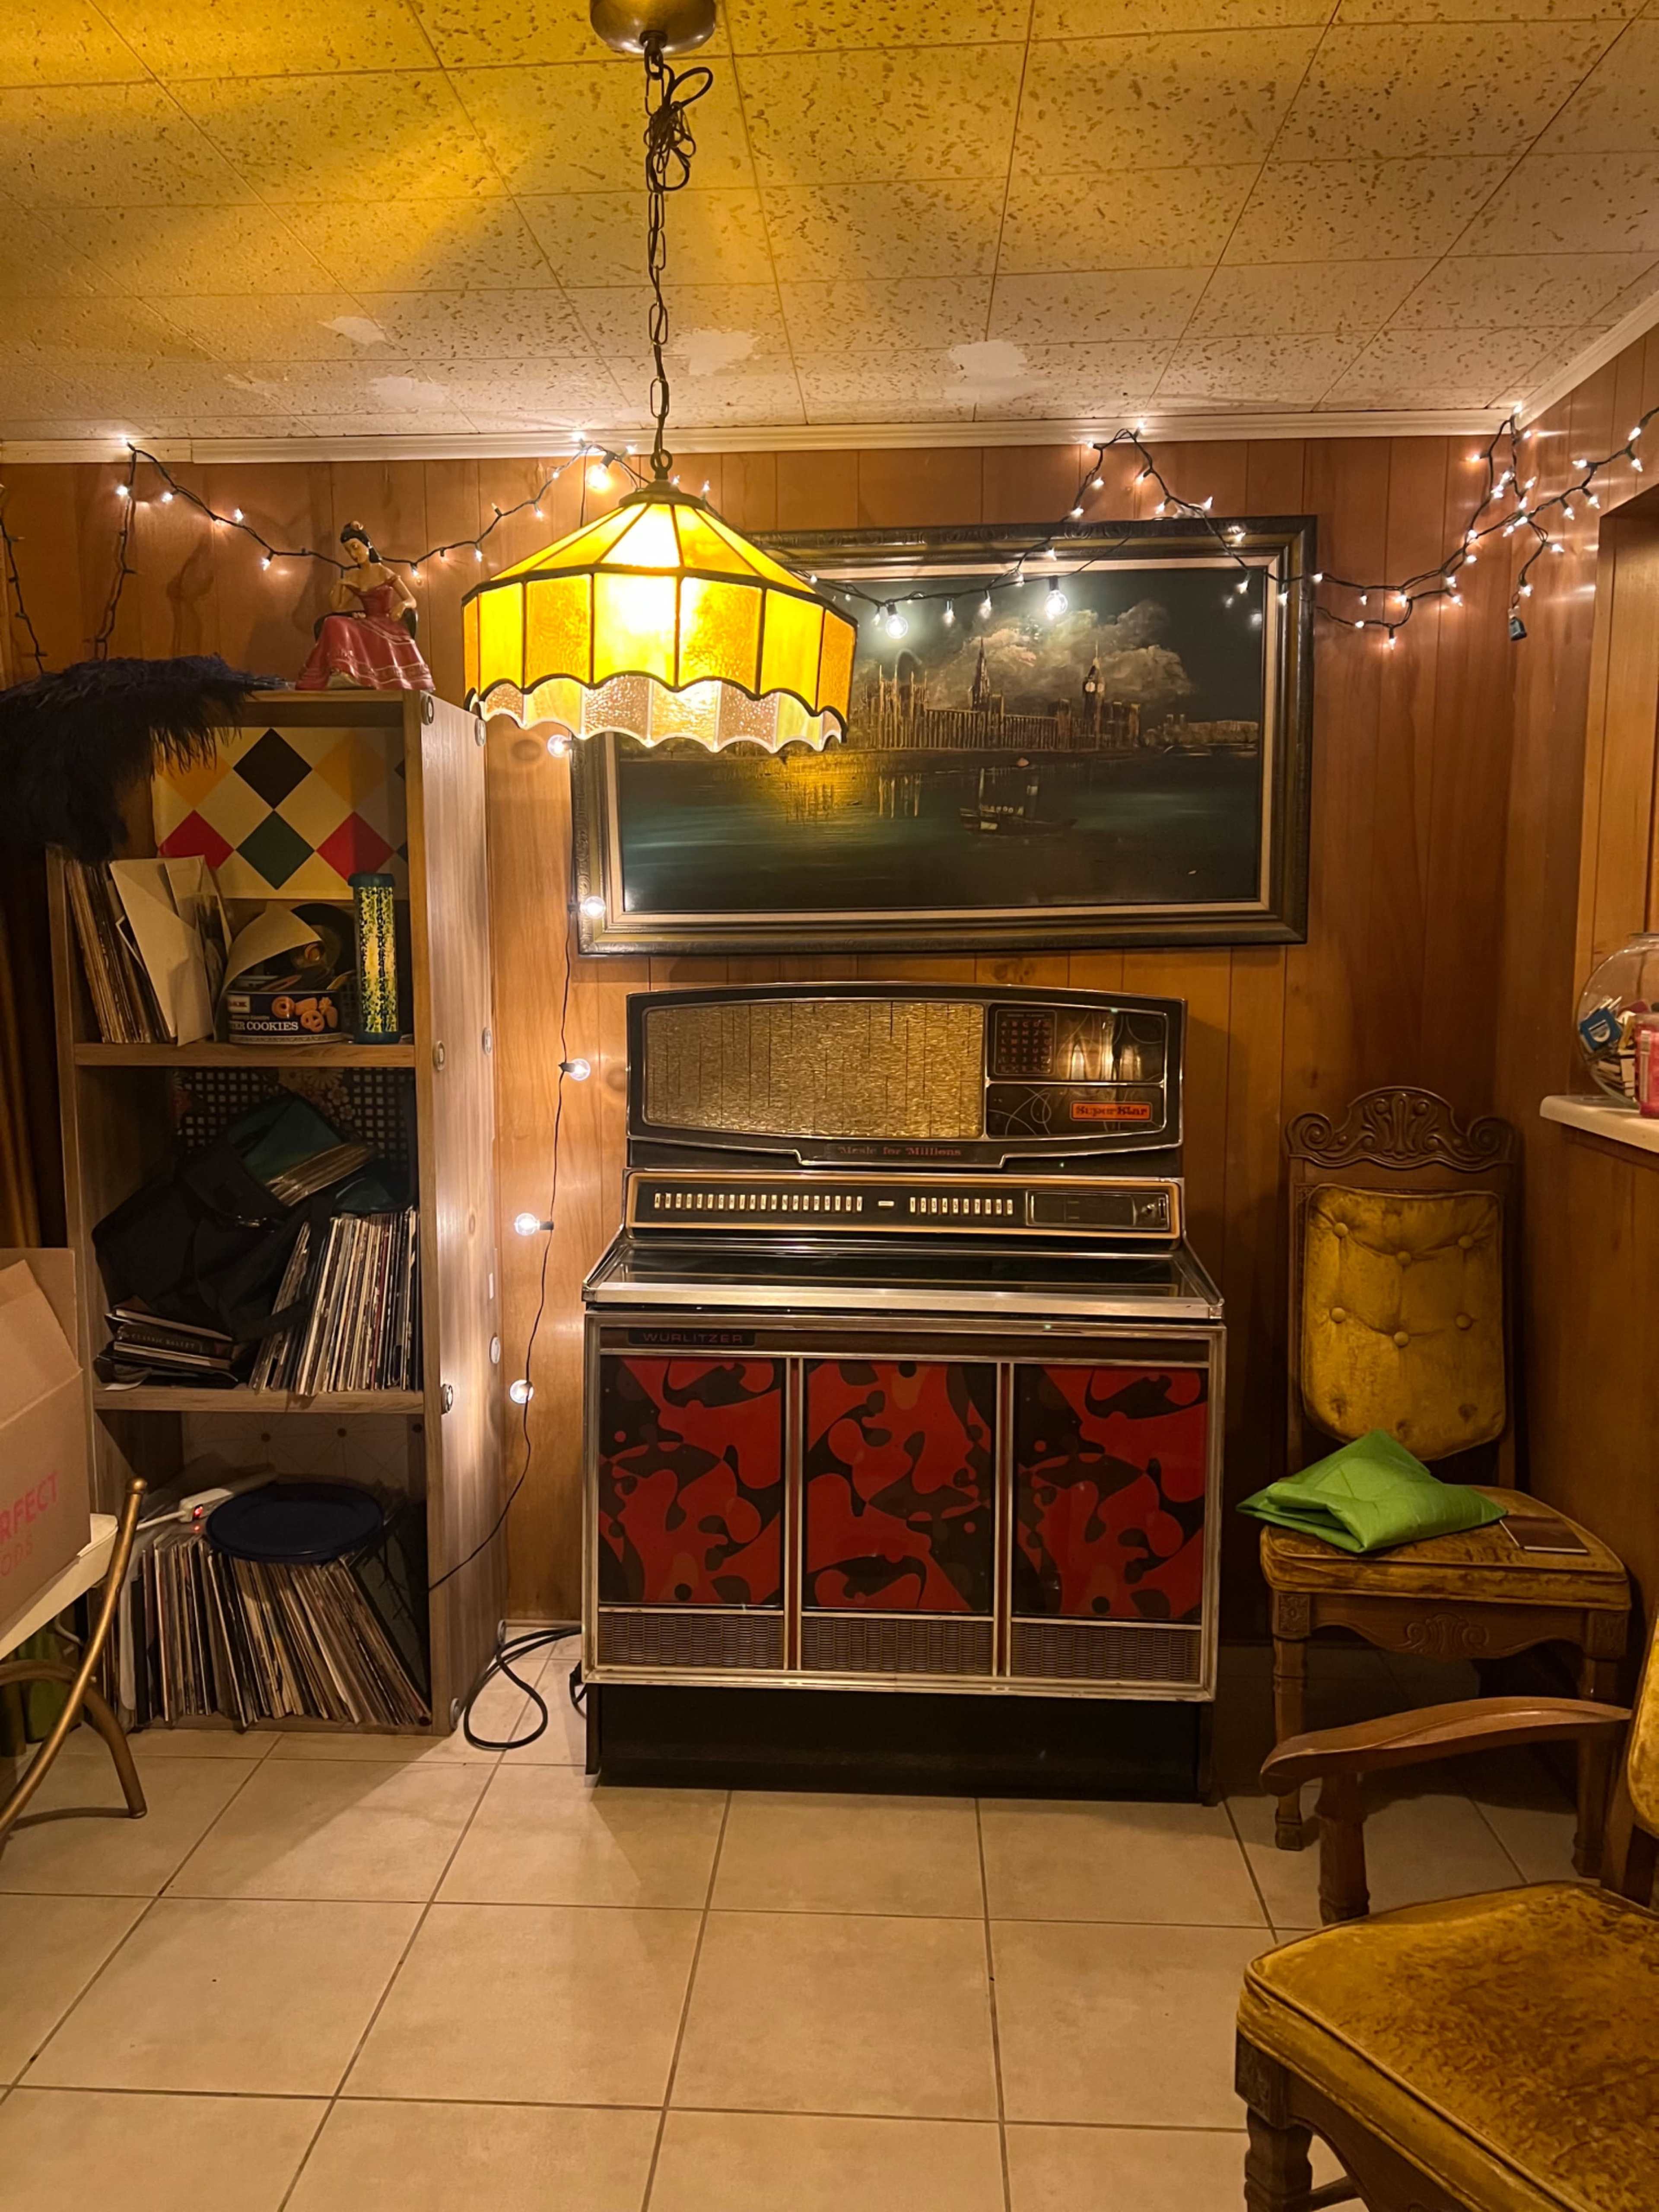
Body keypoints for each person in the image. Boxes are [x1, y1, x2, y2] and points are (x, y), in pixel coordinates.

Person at [295, 522, 432, 692]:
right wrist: (341, 584)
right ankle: (343, 672)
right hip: (367, 621)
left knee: (340, 623)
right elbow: (337, 607)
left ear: (367, 544)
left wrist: (402, 606)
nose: (353, 555)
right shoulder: (355, 576)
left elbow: (411, 599)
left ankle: (363, 676)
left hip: (386, 622)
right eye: (349, 551)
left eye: (355, 548)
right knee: (333, 622)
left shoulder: (383, 572)